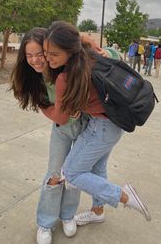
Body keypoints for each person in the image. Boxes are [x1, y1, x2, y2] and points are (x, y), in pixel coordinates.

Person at [41, 21, 151, 227]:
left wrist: (43, 107)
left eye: (54, 54)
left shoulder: (65, 78)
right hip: (114, 124)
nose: (48, 58)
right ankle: (97, 211)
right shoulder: (92, 55)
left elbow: (61, 118)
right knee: (97, 169)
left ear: (70, 51)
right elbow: (80, 38)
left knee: (72, 173)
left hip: (101, 129)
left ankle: (123, 195)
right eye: (46, 52)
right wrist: (85, 38)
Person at [10, 28, 107, 244]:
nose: (36, 60)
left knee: (73, 175)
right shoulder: (32, 78)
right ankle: (46, 222)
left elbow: (72, 37)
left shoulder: (61, 66)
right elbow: (48, 109)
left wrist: (91, 41)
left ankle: (67, 215)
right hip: (61, 128)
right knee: (54, 174)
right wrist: (57, 112)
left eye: (40, 54)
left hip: (85, 125)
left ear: (49, 50)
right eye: (29, 55)